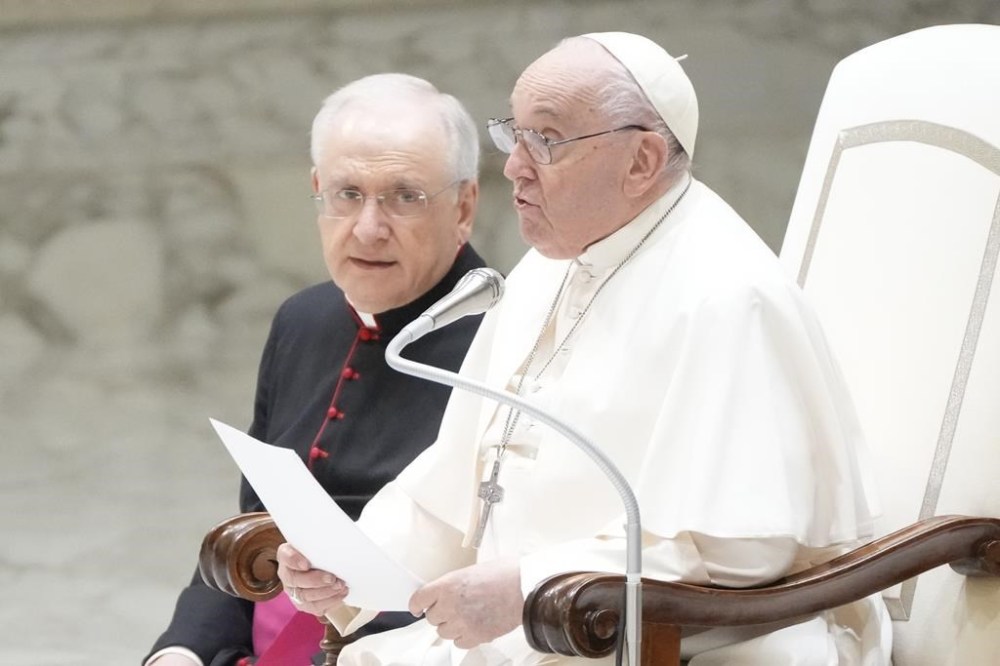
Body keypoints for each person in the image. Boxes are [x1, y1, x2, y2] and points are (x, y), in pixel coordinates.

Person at [276, 32, 893, 664]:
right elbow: (461, 476)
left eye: (544, 140)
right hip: (537, 631)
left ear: (642, 161)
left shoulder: (729, 297)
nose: (514, 165)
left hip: (664, 640)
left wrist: (526, 584)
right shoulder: (550, 269)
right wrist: (349, 562)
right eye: (512, 134)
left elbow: (738, 550)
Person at [144, 73, 489, 666]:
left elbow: (495, 575)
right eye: (346, 193)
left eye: (405, 196)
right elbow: (252, 527)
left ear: (463, 206)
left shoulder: (508, 340)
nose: (368, 227)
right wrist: (183, 648)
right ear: (316, 190)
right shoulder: (303, 319)